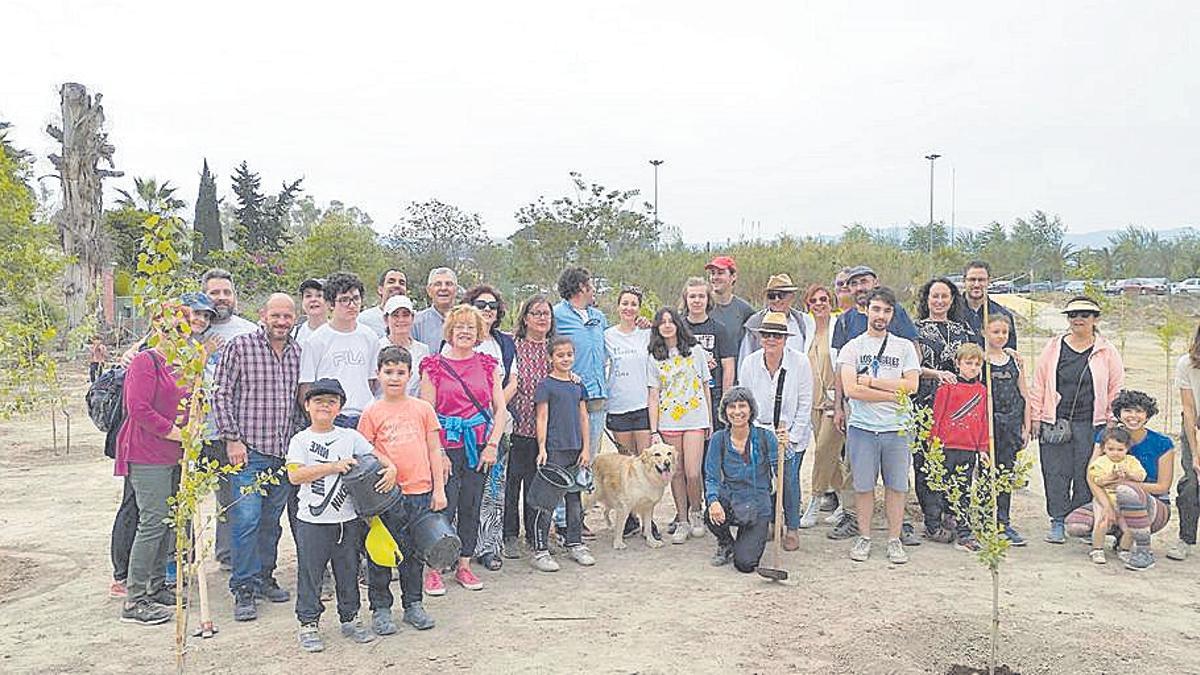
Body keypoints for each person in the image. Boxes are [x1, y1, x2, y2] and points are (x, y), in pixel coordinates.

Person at [213, 293, 302, 621]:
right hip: (248, 452)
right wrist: (232, 439)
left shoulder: (296, 352)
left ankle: (265, 576)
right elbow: (220, 393)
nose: (281, 322)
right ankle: (244, 587)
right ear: (263, 314)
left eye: (287, 316)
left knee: (270, 522)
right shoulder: (240, 346)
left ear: (294, 318)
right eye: (275, 315)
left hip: (281, 452)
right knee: (246, 520)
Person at [420, 304, 508, 593]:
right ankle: (434, 567)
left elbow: (499, 408)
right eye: (460, 327)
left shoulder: (487, 364)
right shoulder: (433, 366)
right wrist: (440, 453)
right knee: (444, 505)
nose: (465, 332)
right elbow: (427, 413)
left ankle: (465, 565)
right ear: (450, 330)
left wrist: (492, 444)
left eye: (471, 327)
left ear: (479, 331)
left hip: (479, 445)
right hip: (446, 445)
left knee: (471, 505)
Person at [357, 346, 445, 635]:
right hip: (385, 495)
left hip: (419, 491)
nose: (394, 378)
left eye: (400, 372)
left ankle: (413, 604)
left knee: (414, 552)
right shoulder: (371, 412)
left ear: (410, 375)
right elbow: (364, 453)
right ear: (378, 374)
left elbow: (434, 449)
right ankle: (381, 608)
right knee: (382, 552)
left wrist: (438, 489)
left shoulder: (423, 409)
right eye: (388, 372)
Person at [286, 378, 378, 652]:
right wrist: (333, 466)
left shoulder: (349, 436)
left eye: (331, 401)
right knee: (311, 573)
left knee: (348, 570)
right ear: (307, 406)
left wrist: (392, 468)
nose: (324, 406)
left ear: (340, 407)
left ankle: (350, 618)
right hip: (312, 522)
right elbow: (294, 475)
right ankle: (308, 623)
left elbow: (374, 456)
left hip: (346, 519)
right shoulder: (300, 439)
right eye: (318, 401)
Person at [114, 304, 191, 625]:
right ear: (156, 327)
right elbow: (139, 409)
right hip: (147, 452)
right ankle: (135, 598)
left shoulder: (184, 364)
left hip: (175, 453)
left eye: (181, 327)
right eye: (167, 327)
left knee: (171, 521)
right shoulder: (146, 362)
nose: (174, 333)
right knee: (153, 520)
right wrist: (178, 434)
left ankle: (158, 586)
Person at [829, 266, 918, 544]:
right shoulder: (852, 347)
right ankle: (865, 537)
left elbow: (912, 386)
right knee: (864, 486)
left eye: (886, 311)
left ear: (893, 315)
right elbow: (852, 389)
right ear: (867, 310)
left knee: (896, 487)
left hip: (897, 428)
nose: (881, 316)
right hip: (863, 428)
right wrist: (893, 394)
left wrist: (872, 383)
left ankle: (894, 540)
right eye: (876, 309)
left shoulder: (903, 347)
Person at [1029, 296, 1124, 544]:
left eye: (1084, 314)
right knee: (1055, 472)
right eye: (1073, 315)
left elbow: (1116, 387)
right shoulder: (1053, 347)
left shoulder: (1106, 351)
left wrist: (1112, 420)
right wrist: (1036, 416)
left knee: (1087, 472)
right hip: (1055, 420)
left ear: (1095, 319)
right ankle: (1058, 520)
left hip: (1092, 423)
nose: (1078, 319)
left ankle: (1080, 520)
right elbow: (1039, 383)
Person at [1065, 390, 1175, 571]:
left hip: (1153, 505)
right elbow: (1091, 475)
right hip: (1110, 497)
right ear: (1119, 414)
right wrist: (1106, 505)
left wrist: (1127, 485)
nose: (1133, 416)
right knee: (1075, 525)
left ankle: (1143, 550)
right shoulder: (1107, 437)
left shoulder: (1162, 443)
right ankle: (1119, 537)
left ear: (1148, 415)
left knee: (1127, 492)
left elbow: (1162, 486)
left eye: (1139, 411)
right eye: (1128, 411)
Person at [738, 312, 813, 550]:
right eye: (767, 335)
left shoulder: (800, 362)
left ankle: (791, 527)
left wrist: (792, 436)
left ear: (785, 338)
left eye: (777, 335)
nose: (772, 339)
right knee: (763, 480)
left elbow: (805, 403)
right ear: (760, 337)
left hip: (789, 430)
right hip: (760, 429)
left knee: (788, 480)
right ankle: (771, 522)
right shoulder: (750, 363)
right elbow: (745, 403)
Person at [201, 268, 259, 569]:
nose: (221, 298)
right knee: (184, 499)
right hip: (191, 431)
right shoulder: (189, 326)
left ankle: (228, 555)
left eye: (226, 292)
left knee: (231, 495)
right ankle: (178, 563)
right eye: (215, 293)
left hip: (231, 429)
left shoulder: (247, 330)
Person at [912, 277, 977, 544]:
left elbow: (975, 361)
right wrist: (936, 374)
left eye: (944, 296)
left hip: (957, 408)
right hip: (925, 404)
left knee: (956, 462)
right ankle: (932, 520)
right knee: (926, 463)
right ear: (926, 299)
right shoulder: (913, 330)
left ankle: (954, 514)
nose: (939, 301)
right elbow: (911, 366)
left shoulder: (963, 331)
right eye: (934, 296)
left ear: (952, 300)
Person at [458, 284, 517, 571]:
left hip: (498, 424)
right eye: (481, 305)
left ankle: (489, 547)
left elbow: (512, 381)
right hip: (465, 428)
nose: (487, 310)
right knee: (464, 491)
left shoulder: (503, 343)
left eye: (492, 306)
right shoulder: (459, 341)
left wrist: (496, 412)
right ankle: (458, 548)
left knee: (494, 488)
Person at [647, 307, 712, 545]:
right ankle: (682, 519)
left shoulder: (695, 351)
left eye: (670, 321)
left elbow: (706, 386)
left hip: (695, 419)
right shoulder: (654, 356)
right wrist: (654, 431)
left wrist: (709, 423)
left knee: (694, 472)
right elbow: (653, 395)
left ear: (678, 324)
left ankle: (697, 512)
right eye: (662, 322)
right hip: (669, 421)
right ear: (657, 327)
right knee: (676, 473)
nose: (666, 325)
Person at [530, 336, 595, 571]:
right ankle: (540, 550)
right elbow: (542, 417)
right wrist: (543, 448)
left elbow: (584, 417)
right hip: (555, 449)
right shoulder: (545, 386)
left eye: (569, 354)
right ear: (550, 358)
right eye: (560, 355)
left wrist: (586, 448)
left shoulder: (578, 386)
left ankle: (575, 542)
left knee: (575, 500)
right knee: (547, 501)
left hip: (575, 449)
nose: (565, 359)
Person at [704, 387, 778, 572]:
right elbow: (711, 477)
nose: (737, 412)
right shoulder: (718, 439)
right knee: (710, 514)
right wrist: (713, 501)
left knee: (745, 564)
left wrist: (785, 448)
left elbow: (784, 471)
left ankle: (751, 536)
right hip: (732, 500)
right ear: (725, 411)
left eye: (742, 406)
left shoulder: (765, 437)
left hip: (758, 505)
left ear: (751, 410)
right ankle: (726, 542)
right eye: (732, 407)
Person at [506, 295, 555, 558]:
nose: (541, 318)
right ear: (525, 318)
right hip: (518, 424)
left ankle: (537, 534)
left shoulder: (554, 347)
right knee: (513, 483)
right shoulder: (514, 346)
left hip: (546, 429)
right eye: (536, 313)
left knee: (539, 485)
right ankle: (510, 535)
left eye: (546, 313)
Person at [298, 272, 380, 429]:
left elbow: (372, 381)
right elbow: (306, 387)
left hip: (364, 416)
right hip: (329, 418)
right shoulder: (316, 340)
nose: (351, 305)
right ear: (330, 304)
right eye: (344, 300)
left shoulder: (370, 337)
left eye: (355, 298)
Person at [929, 343, 989, 551]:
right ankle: (939, 523)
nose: (972, 368)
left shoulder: (982, 391)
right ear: (958, 363)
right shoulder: (947, 387)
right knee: (941, 487)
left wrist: (983, 448)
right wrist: (933, 444)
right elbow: (937, 416)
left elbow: (983, 421)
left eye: (977, 364)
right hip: (946, 446)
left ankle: (964, 534)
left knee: (963, 490)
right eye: (968, 363)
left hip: (969, 448)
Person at [799, 284, 846, 528]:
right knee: (829, 454)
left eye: (824, 299)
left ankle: (815, 499)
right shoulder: (806, 329)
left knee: (823, 450)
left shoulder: (839, 327)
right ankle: (843, 502)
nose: (819, 304)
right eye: (814, 300)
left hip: (834, 400)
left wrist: (839, 399)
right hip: (813, 402)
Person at [984, 314, 1032, 546]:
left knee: (1005, 475)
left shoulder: (1014, 361)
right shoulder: (980, 360)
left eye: (1004, 332)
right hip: (988, 426)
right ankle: (985, 521)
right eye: (995, 332)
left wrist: (1026, 426)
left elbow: (1024, 394)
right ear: (985, 332)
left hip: (1011, 426)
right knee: (985, 475)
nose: (1000, 336)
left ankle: (1003, 522)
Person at [552, 267, 609, 464]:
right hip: (571, 397)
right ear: (581, 288)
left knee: (589, 457)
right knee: (568, 456)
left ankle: (584, 494)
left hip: (598, 396)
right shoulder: (556, 315)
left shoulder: (599, 317)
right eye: (591, 285)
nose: (593, 290)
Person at [1081, 427, 1145, 565]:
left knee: (1129, 527)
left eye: (1120, 450)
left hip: (1124, 501)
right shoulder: (1100, 462)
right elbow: (1097, 481)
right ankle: (1097, 548)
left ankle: (1124, 549)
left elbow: (1141, 476)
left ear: (1127, 448)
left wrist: (1129, 474)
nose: (1115, 453)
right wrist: (1111, 476)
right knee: (1102, 522)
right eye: (1111, 449)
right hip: (1104, 499)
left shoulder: (1131, 461)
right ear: (1104, 448)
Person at [682, 277, 736, 430]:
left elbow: (728, 366)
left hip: (714, 396)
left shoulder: (720, 329)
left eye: (701, 296)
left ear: (708, 299)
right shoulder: (677, 328)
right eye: (692, 296)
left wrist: (725, 401)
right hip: (685, 397)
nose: (697, 301)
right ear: (686, 299)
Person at [605, 287, 653, 455]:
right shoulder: (607, 336)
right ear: (618, 307)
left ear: (639, 309)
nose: (629, 308)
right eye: (625, 303)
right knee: (626, 461)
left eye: (634, 304)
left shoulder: (647, 333)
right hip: (618, 405)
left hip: (643, 404)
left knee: (646, 460)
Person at [1168, 324, 1200, 561]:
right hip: (1195, 427)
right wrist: (1196, 453)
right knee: (1191, 481)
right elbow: (1189, 410)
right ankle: (1186, 538)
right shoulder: (1187, 364)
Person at [739, 274, 812, 362]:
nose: (777, 300)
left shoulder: (804, 322)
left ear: (792, 297)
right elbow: (745, 359)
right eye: (772, 296)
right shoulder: (754, 324)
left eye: (782, 295)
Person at [706, 256, 756, 372]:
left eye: (720, 273)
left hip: (735, 378)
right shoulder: (701, 307)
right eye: (713, 273)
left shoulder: (744, 310)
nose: (715, 277)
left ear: (733, 277)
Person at [377, 294, 430, 397]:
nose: (401, 319)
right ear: (386, 319)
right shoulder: (376, 347)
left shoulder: (423, 350)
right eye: (395, 315)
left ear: (412, 318)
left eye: (405, 315)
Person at [962, 261, 1016, 349]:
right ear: (964, 281)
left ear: (989, 281)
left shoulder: (1003, 315)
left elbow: (1009, 352)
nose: (976, 284)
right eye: (972, 279)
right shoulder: (950, 312)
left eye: (981, 280)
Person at [412, 267, 458, 348]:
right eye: (438, 284)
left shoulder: (466, 320)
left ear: (456, 290)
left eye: (448, 284)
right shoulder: (416, 323)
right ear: (429, 290)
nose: (443, 288)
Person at [359, 268, 408, 338]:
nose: (397, 285)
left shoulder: (413, 321)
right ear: (380, 290)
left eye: (402, 283)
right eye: (391, 282)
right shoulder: (364, 320)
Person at [291, 278, 328, 346]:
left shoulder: (338, 332)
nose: (313, 299)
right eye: (308, 296)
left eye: (319, 295)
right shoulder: (294, 334)